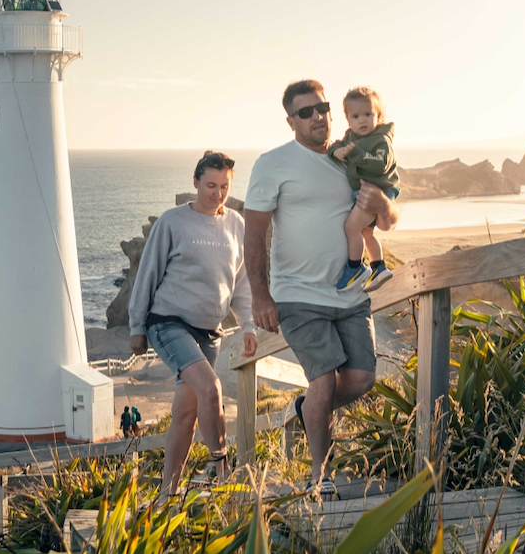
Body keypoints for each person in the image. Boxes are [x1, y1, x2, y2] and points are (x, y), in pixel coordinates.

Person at [244, 80, 400, 498]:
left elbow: (386, 221)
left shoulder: (352, 156)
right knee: (324, 381)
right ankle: (320, 476)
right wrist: (261, 295)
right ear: (291, 121)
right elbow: (254, 232)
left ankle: (303, 411)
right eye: (305, 112)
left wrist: (383, 204)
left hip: (351, 292)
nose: (317, 117)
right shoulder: (273, 163)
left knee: (363, 379)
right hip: (298, 294)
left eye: (322, 108)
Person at [128, 151, 259, 495]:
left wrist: (247, 325)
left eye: (224, 186)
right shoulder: (172, 222)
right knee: (211, 388)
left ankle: (168, 495)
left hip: (209, 333)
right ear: (195, 182)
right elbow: (147, 274)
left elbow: (242, 282)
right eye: (211, 185)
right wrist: (136, 327)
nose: (217, 193)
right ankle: (223, 468)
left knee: (185, 415)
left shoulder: (235, 224)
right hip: (168, 323)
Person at [329, 86, 401, 292]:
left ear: (377, 115)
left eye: (368, 114)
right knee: (365, 232)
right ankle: (378, 267)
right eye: (356, 116)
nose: (362, 120)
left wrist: (355, 154)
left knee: (351, 228)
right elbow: (336, 145)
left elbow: (381, 164)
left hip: (377, 191)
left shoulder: (381, 139)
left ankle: (355, 267)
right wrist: (338, 152)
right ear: (348, 119)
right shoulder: (351, 137)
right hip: (366, 191)